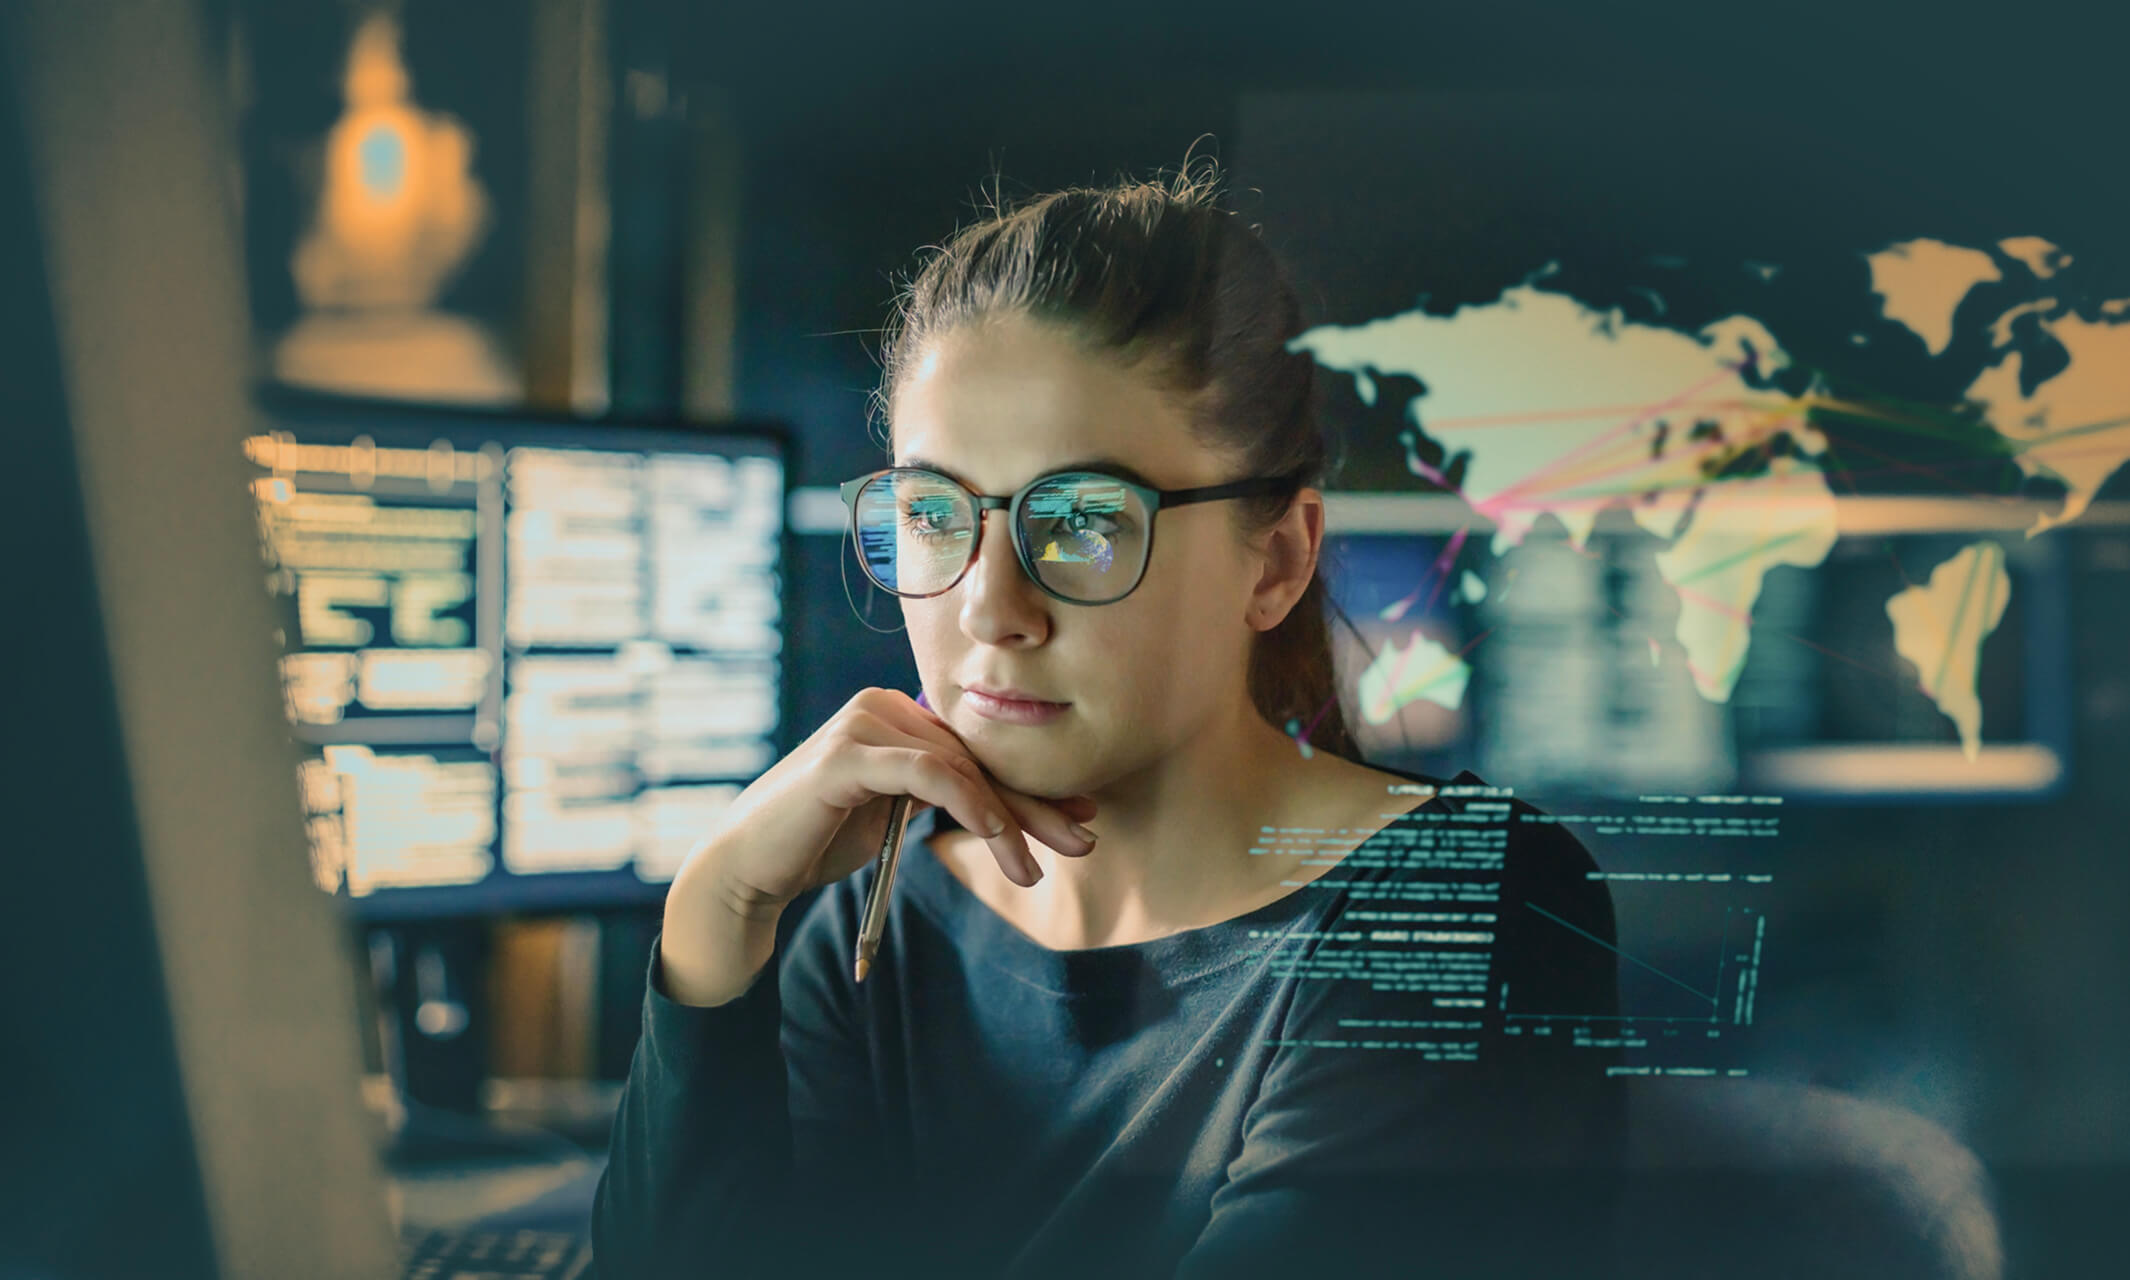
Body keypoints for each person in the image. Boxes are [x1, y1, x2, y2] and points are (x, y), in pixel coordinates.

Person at [590, 153, 1625, 1280]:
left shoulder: (1467, 912)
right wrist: (718, 905)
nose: (990, 607)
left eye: (1084, 521)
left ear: (1276, 561)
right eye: (933, 514)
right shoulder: (873, 928)